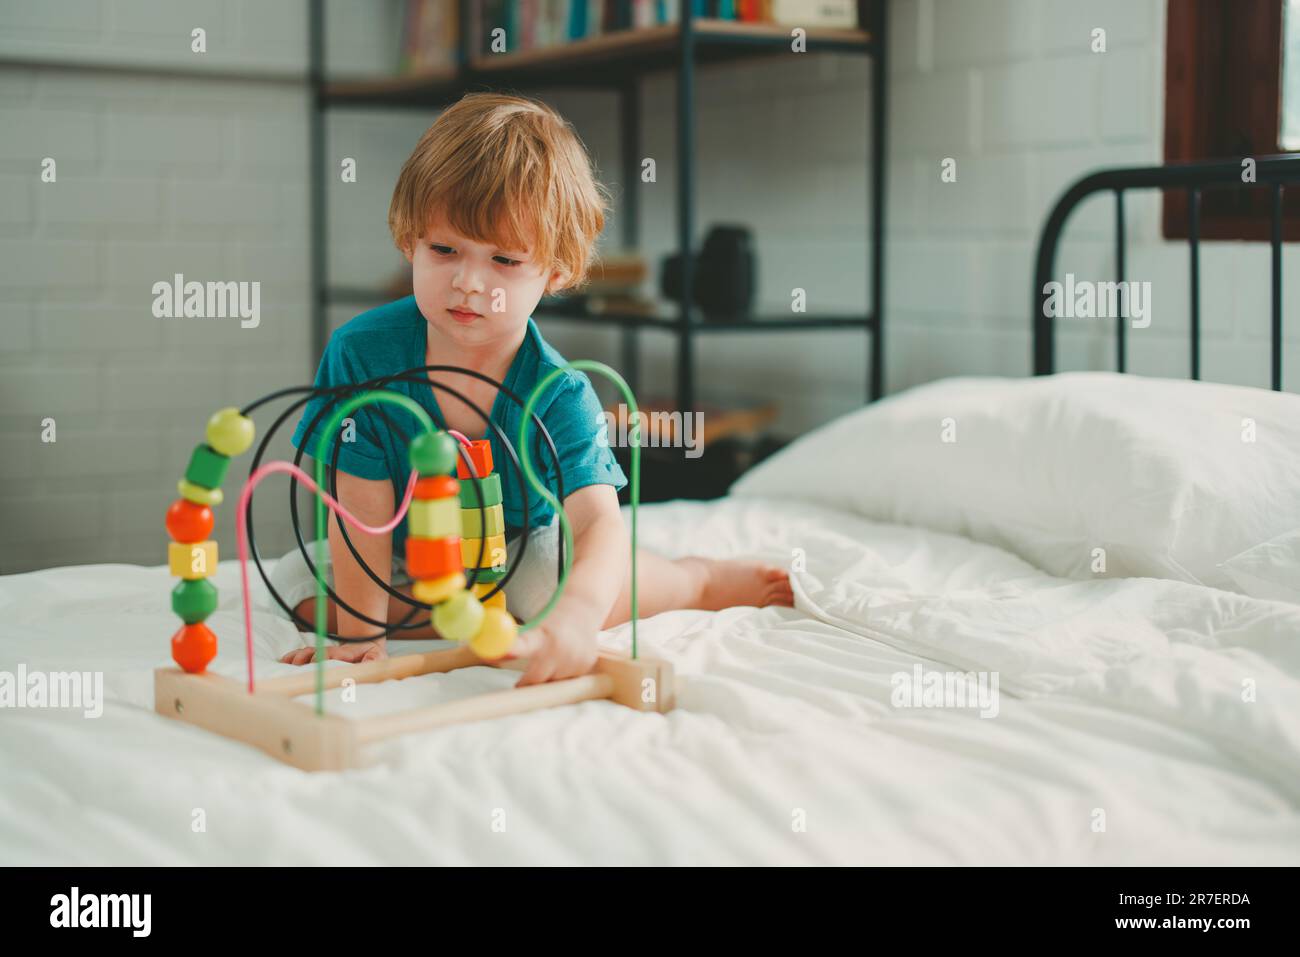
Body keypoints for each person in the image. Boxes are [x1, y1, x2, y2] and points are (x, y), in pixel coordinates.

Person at [273, 92, 792, 686]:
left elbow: (597, 524)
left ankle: (696, 579)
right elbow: (358, 502)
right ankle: (460, 609)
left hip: (520, 554)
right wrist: (363, 635)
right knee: (300, 591)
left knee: (560, 585)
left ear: (557, 270)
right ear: (409, 240)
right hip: (404, 553)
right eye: (444, 250)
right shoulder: (361, 354)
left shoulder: (560, 392)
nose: (468, 283)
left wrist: (574, 618)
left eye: (504, 261)